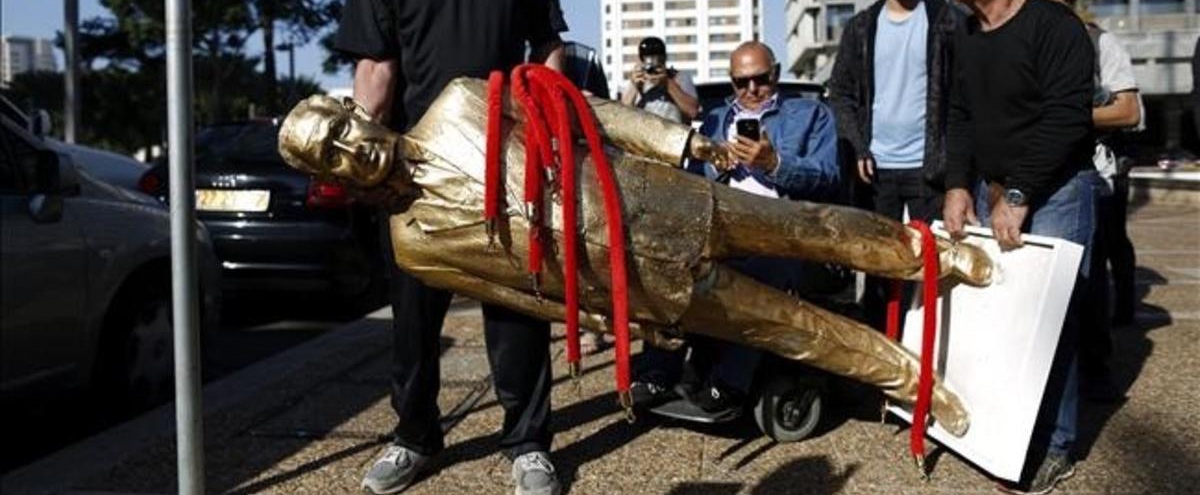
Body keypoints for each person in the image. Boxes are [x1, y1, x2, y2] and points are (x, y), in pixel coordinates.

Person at [278, 78, 997, 438]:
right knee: (789, 326)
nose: (352, 149)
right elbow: (518, 295)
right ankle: (912, 381)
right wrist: (613, 322)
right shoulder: (413, 242)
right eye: (332, 157)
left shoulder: (463, 101)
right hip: (641, 286)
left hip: (668, 201)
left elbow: (587, 112)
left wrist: (678, 142)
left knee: (809, 226)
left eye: (342, 130)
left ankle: (924, 251)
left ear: (357, 112)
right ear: (335, 178)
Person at [334, 0, 566, 493]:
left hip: (502, 162)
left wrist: (548, 126)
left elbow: (546, 45)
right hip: (416, 170)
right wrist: (361, 156)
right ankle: (415, 436)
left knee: (516, 308)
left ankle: (526, 443)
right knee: (413, 316)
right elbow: (376, 71)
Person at [942, 0, 1097, 495]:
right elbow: (959, 115)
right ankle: (1011, 435)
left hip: (1056, 189)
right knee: (1008, 321)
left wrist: (1023, 193)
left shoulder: (1055, 26)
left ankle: (1055, 446)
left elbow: (1066, 117)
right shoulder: (965, 33)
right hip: (995, 186)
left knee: (1053, 323)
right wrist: (959, 184)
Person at [632, 41, 841, 418]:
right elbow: (692, 181)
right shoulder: (714, 118)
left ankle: (729, 383)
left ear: (775, 74)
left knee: (757, 280)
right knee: (666, 267)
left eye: (760, 80)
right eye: (741, 83)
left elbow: (828, 178)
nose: (751, 91)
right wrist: (718, 165)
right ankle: (655, 373)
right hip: (721, 226)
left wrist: (774, 162)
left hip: (782, 229)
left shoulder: (810, 114)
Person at [1019, 0, 1143, 402]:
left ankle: (1096, 370)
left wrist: (1064, 117)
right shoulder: (1023, 40)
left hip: (1092, 175)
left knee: (1088, 280)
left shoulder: (1099, 43)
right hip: (1034, 172)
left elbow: (1128, 110)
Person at [827, 0, 960, 331]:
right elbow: (841, 94)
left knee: (933, 263)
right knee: (879, 267)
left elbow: (960, 95)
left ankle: (927, 353)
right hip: (876, 169)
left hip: (929, 166)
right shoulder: (862, 27)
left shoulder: (946, 20)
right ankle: (881, 358)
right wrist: (859, 146)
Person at [620, 36, 700, 124]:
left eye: (657, 58)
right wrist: (634, 87)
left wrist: (668, 84)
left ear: (664, 58)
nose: (652, 63)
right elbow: (622, 117)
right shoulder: (638, 80)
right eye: (647, 58)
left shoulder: (679, 78)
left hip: (674, 134)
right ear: (641, 60)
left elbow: (693, 112)